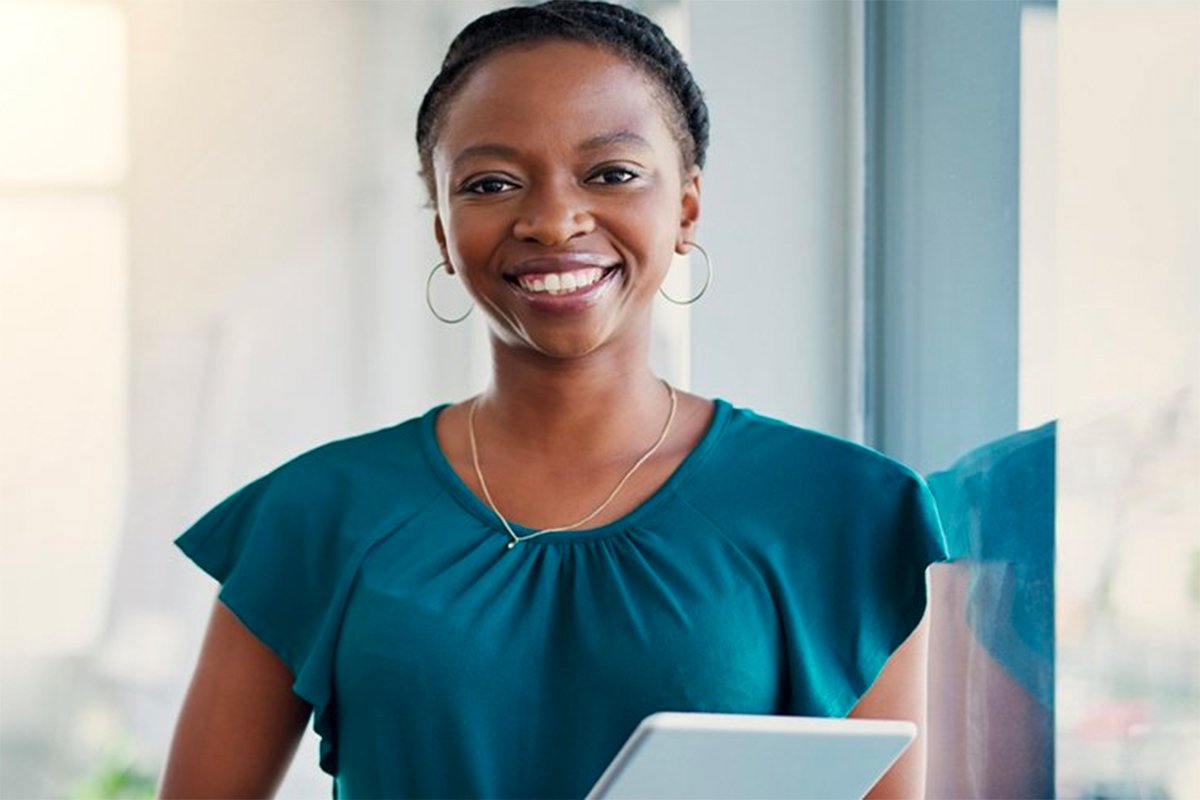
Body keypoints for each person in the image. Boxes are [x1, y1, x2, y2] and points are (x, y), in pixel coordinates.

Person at [159, 2, 946, 798]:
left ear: (686, 206)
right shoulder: (318, 510)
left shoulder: (845, 508)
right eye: (491, 183)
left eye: (611, 173)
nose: (552, 219)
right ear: (443, 229)